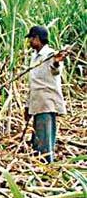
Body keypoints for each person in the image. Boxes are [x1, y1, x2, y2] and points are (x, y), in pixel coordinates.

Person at [25, 25, 67, 163]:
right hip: (37, 103)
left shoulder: (51, 55)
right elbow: (33, 84)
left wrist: (56, 63)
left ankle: (47, 166)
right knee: (38, 138)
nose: (29, 42)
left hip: (46, 102)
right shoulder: (35, 57)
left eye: (31, 38)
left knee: (45, 139)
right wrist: (27, 106)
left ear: (37, 38)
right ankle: (39, 164)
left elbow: (55, 69)